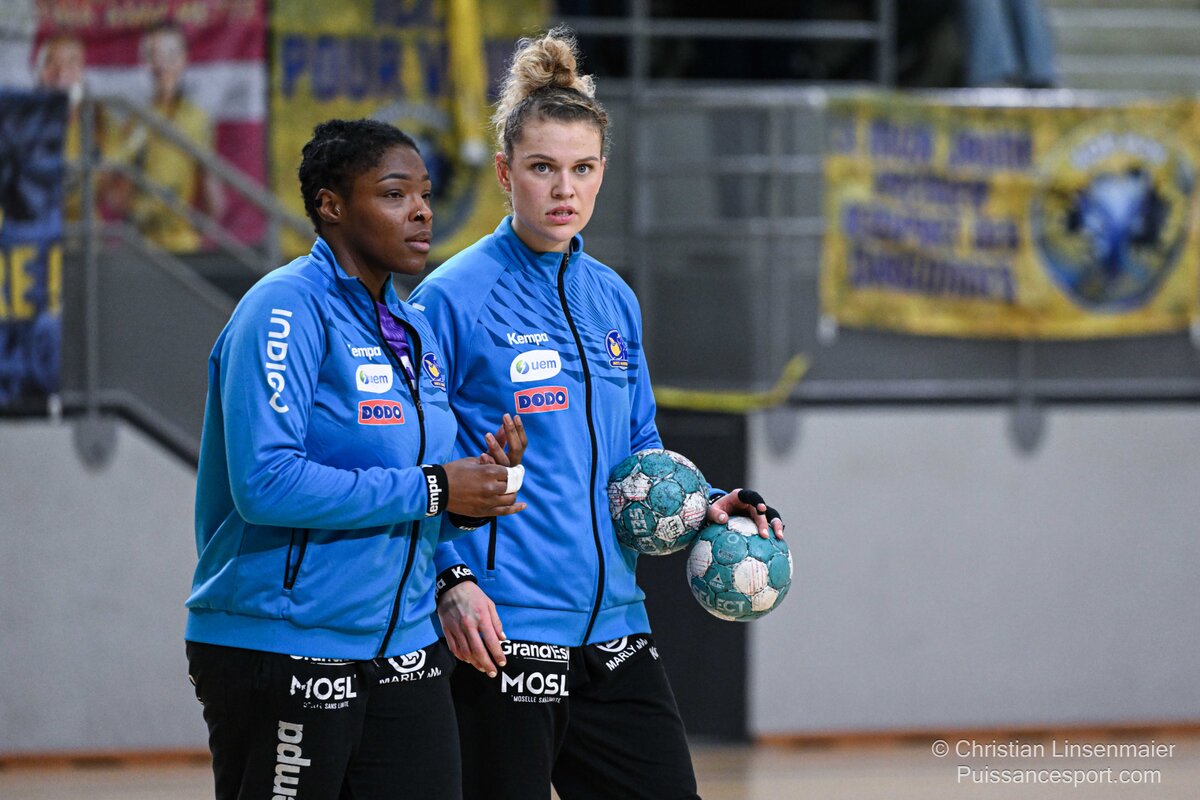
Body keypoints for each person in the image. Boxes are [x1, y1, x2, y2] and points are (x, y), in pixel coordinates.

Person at [409, 27, 785, 800]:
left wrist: (704, 503)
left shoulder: (613, 298)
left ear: (603, 172)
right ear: (506, 172)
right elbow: (413, 459)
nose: (564, 189)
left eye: (582, 169)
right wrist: (450, 579)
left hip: (616, 628)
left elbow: (637, 445)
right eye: (543, 168)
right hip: (502, 632)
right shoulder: (451, 297)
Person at [184, 118, 528, 800]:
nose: (422, 211)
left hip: (405, 649)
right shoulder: (283, 309)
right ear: (331, 206)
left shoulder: (415, 328)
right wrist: (437, 487)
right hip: (284, 641)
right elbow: (265, 483)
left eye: (424, 193)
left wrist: (475, 494)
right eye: (395, 194)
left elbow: (412, 497)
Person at [105, 22, 223, 251]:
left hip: (183, 242)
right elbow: (112, 188)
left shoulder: (196, 119)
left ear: (184, 59)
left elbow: (212, 192)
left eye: (170, 54)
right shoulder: (134, 118)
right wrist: (137, 211)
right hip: (139, 244)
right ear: (144, 61)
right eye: (153, 55)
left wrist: (200, 230)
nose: (161, 65)